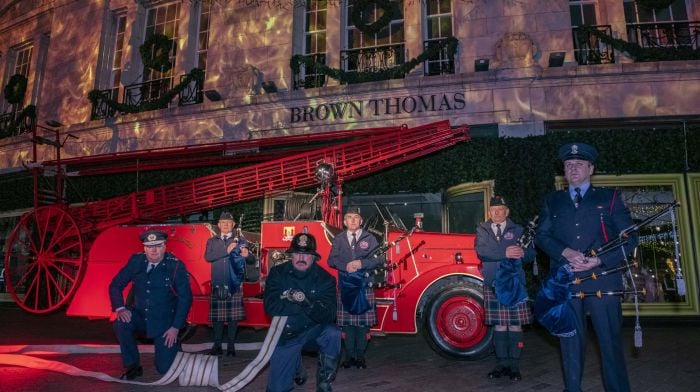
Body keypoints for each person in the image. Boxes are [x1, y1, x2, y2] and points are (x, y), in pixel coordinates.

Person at [536, 142, 638, 392]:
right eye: (568, 165)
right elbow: (542, 236)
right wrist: (565, 252)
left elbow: (630, 237)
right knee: (570, 341)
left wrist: (600, 259)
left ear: (591, 169)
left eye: (579, 164)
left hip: (603, 278)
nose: (573, 168)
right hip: (566, 279)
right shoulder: (553, 200)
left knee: (609, 342)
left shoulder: (609, 197)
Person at [109, 229, 193, 380]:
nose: (154, 250)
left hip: (165, 324)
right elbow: (115, 285)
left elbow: (185, 298)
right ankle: (132, 366)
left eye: (158, 246)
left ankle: (175, 347)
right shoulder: (136, 261)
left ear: (165, 246)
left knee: (164, 370)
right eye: (149, 246)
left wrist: (175, 327)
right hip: (141, 317)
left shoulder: (175, 266)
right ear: (144, 248)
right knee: (120, 323)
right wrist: (120, 308)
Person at [264, 232, 341, 392]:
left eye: (306, 255)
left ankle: (324, 383)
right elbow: (271, 307)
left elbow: (329, 314)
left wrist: (305, 303)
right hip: (287, 335)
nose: (301, 258)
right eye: (298, 253)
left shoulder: (325, 279)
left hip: (313, 331)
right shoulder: (277, 273)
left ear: (314, 257)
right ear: (291, 255)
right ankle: (297, 367)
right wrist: (307, 305)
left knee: (333, 333)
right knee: (277, 389)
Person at [475, 195, 534, 381]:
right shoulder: (482, 229)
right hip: (493, 283)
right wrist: (505, 252)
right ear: (489, 212)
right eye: (493, 210)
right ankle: (501, 364)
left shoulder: (518, 230)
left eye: (500, 209)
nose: (497, 213)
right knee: (500, 325)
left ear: (507, 212)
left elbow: (532, 254)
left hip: (514, 284)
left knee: (515, 325)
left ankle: (514, 366)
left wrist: (524, 252)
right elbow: (482, 251)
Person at [327, 207, 384, 369]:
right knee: (348, 326)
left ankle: (360, 356)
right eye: (349, 217)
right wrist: (345, 266)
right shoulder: (339, 239)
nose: (353, 220)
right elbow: (331, 260)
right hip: (346, 286)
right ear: (344, 222)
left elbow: (380, 258)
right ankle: (349, 356)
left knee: (362, 326)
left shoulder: (370, 238)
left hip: (364, 286)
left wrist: (362, 263)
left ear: (361, 221)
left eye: (356, 217)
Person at [204, 212, 255, 356]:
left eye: (229, 223)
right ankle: (217, 345)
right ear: (218, 225)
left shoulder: (240, 240)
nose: (226, 225)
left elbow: (251, 260)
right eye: (223, 222)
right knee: (217, 318)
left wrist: (248, 255)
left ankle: (231, 346)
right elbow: (208, 257)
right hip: (218, 282)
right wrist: (226, 250)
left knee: (233, 318)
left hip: (235, 283)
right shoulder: (212, 241)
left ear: (233, 225)